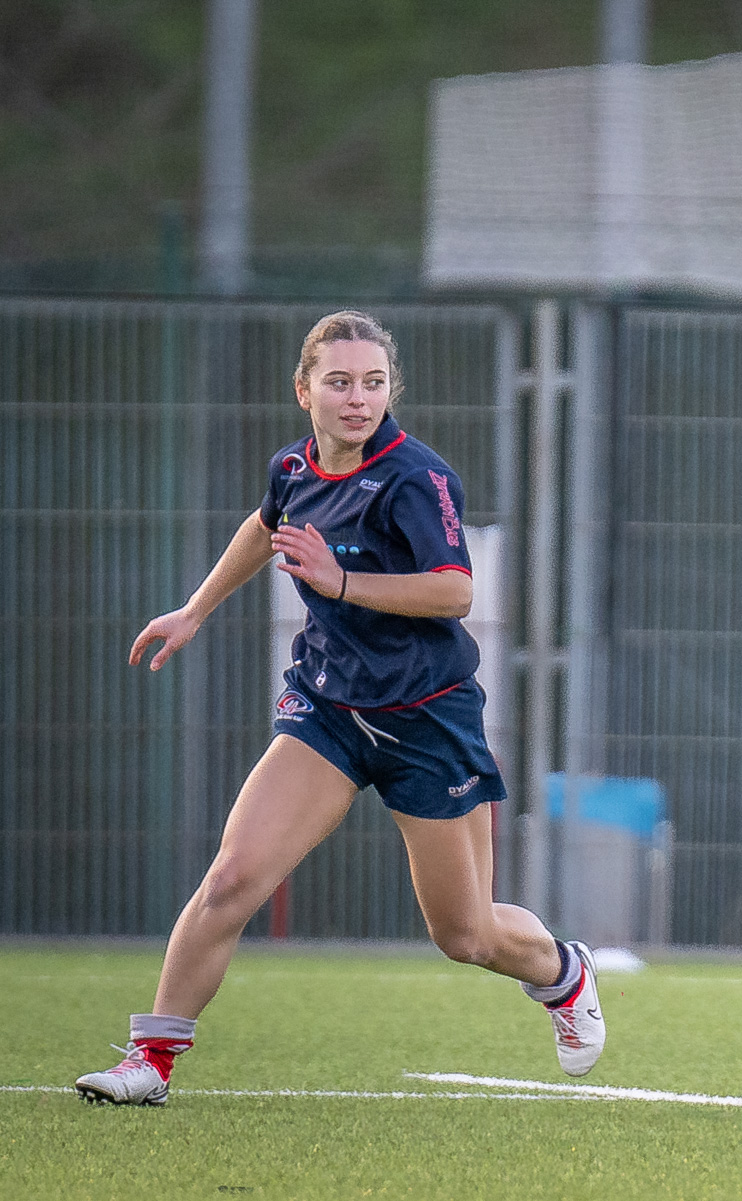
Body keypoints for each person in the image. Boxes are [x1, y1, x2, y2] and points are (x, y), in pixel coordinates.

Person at [75, 311, 606, 1106]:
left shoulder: (416, 480)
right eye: (339, 382)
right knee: (230, 878)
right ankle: (151, 1060)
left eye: (373, 383)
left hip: (428, 722)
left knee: (465, 936)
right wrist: (195, 608)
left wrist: (340, 583)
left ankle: (564, 973)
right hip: (327, 711)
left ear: (391, 390)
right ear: (304, 390)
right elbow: (266, 527)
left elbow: (456, 590)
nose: (358, 399)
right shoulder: (292, 466)